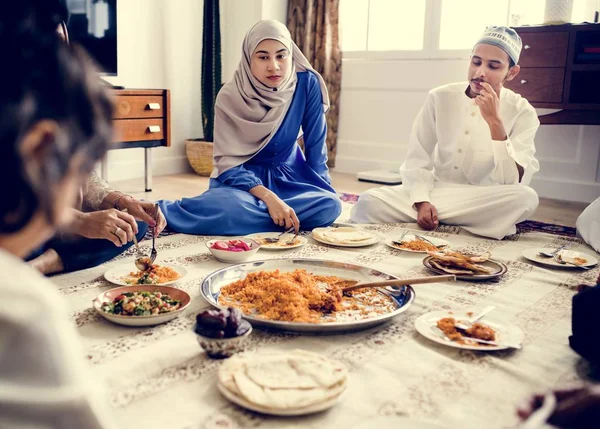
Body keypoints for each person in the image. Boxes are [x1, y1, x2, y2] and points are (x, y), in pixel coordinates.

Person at [0, 2, 116, 426]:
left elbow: (91, 188)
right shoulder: (25, 311)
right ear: (40, 149)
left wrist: (115, 201)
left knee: (121, 228)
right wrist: (79, 221)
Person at [351, 26, 540, 240]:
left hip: (483, 197)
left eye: (493, 66)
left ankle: (445, 216)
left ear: (512, 72)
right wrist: (422, 202)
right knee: (368, 201)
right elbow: (417, 157)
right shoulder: (440, 97)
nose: (480, 73)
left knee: (525, 198)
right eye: (476, 62)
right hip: (436, 190)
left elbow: (510, 183)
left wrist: (495, 123)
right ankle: (474, 222)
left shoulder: (523, 112)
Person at [158, 20, 341, 235]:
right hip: (242, 182)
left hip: (291, 178)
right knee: (230, 208)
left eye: (281, 55)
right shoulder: (229, 96)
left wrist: (324, 190)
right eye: (263, 57)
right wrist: (269, 198)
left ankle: (253, 221)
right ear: (248, 59)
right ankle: (165, 211)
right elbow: (228, 164)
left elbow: (316, 150)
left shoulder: (307, 84)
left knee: (330, 205)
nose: (274, 66)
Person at [25, 0, 166, 275]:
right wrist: (79, 223)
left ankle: (45, 263)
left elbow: (82, 174)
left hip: (54, 224)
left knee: (128, 226)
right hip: (17, 227)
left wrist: (122, 202)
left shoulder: (63, 100)